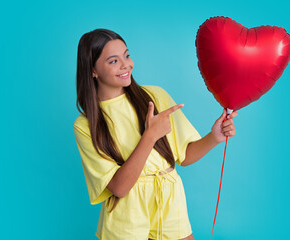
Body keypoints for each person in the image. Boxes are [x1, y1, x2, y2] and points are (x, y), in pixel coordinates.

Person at [73, 29, 238, 240]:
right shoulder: (86, 125)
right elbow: (120, 188)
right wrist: (150, 136)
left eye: (127, 55)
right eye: (113, 61)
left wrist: (214, 136)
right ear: (92, 70)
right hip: (127, 215)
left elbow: (184, 156)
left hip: (170, 202)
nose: (126, 65)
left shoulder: (155, 96)